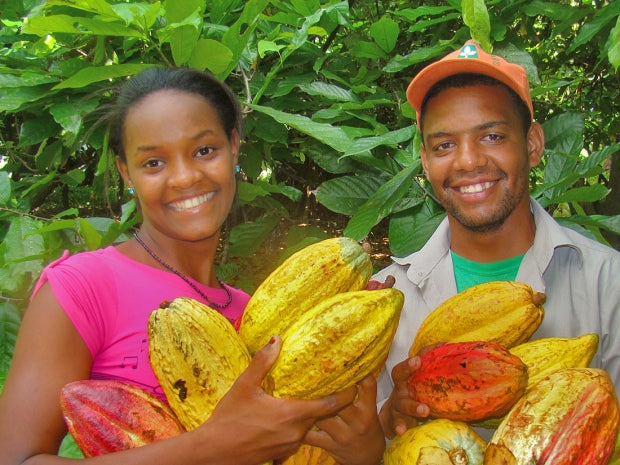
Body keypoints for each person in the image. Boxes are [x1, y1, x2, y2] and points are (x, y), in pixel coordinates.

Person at [0, 67, 385, 465]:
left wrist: (363, 450)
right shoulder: (84, 288)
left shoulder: (257, 314)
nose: (184, 178)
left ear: (234, 147)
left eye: (204, 151)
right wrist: (211, 448)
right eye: (153, 162)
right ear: (125, 172)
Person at [373, 39, 620, 439]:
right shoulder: (387, 296)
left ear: (533, 145)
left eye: (491, 136)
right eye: (444, 145)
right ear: (425, 160)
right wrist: (390, 421)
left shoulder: (608, 285)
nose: (468, 161)